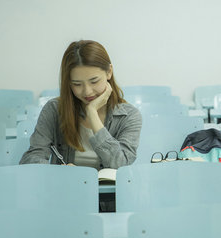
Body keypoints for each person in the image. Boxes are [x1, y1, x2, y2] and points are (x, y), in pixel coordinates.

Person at [20, 40, 142, 169]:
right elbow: (31, 160)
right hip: (65, 187)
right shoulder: (54, 110)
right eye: (77, 84)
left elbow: (120, 163)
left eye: (94, 81)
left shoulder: (129, 116)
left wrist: (92, 113)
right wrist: (58, 171)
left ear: (109, 72)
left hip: (109, 189)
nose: (87, 91)